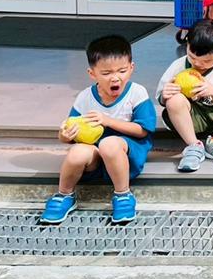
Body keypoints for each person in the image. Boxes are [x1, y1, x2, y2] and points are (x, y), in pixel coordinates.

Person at [39, 36, 155, 225]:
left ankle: (123, 194)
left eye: (122, 71)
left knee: (109, 144)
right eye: (106, 73)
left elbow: (142, 130)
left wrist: (108, 121)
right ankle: (64, 195)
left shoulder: (137, 92)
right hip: (96, 158)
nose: (115, 77)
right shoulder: (85, 97)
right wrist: (64, 135)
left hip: (126, 155)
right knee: (77, 152)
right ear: (92, 74)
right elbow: (70, 127)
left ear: (131, 68)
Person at [155, 19, 213, 172]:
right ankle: (194, 145)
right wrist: (165, 94)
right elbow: (162, 98)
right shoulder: (178, 66)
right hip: (191, 119)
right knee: (174, 100)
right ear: (187, 44)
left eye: (206, 61)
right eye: (192, 57)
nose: (198, 64)